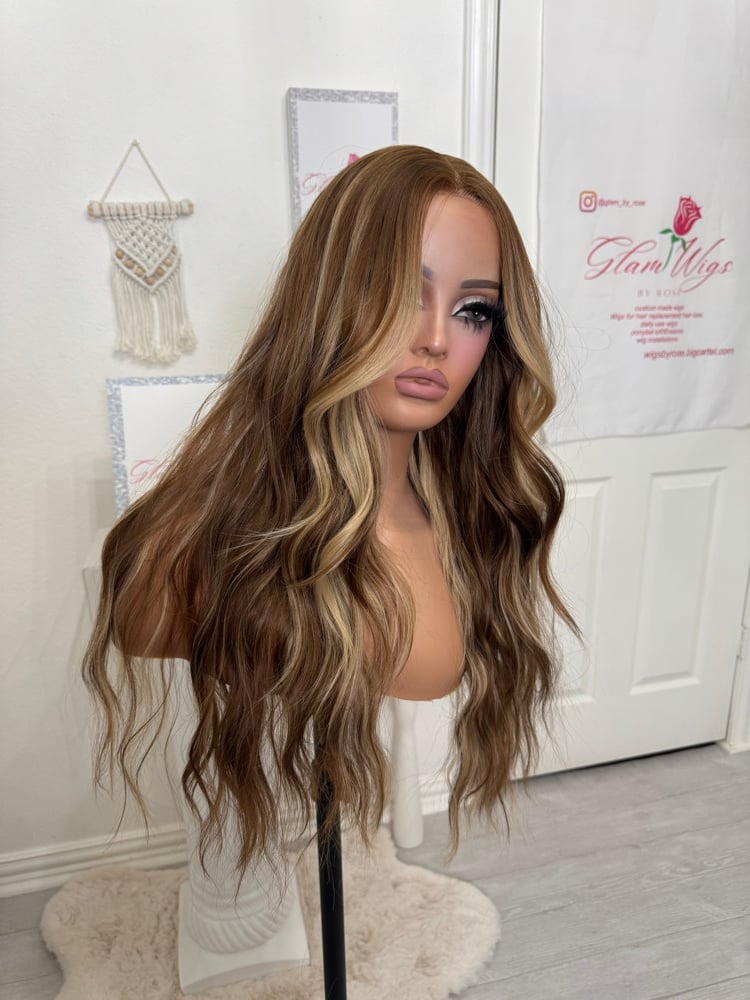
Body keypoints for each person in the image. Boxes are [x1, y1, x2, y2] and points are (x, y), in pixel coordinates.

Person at [82, 144, 581, 881]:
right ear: (326, 297)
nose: (436, 340)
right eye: (400, 293)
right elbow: (143, 619)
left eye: (474, 311)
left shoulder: (464, 518)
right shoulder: (184, 546)